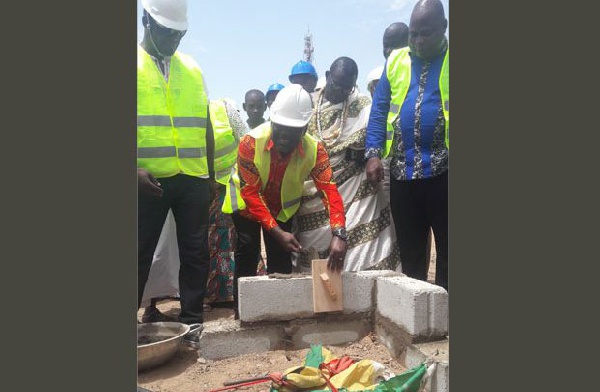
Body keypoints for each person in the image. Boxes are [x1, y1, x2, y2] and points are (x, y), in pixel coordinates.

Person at [222, 84, 348, 316]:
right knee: (247, 253)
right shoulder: (251, 142)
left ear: (304, 129)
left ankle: (277, 314)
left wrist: (339, 233)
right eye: (279, 128)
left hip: (282, 211)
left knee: (280, 262)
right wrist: (276, 231)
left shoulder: (315, 150)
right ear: (272, 119)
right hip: (248, 207)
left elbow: (329, 190)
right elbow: (250, 193)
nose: (284, 136)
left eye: (292, 131)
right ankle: (244, 313)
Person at [137, 0, 213, 325]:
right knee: (138, 255)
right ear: (146, 21)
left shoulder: (192, 69)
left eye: (179, 35)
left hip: (193, 178)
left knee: (196, 253)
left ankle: (192, 320)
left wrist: (209, 175)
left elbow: (205, 123)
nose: (173, 41)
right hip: (148, 180)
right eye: (167, 33)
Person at [364, 0, 449, 291]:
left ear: (444, 28)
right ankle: (415, 319)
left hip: (445, 171)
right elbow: (379, 110)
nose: (418, 40)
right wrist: (373, 154)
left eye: (426, 33)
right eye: (414, 33)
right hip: (403, 173)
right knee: (411, 252)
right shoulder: (397, 60)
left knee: (450, 250)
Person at [140, 98, 247, 321]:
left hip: (210, 182)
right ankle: (154, 304)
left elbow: (233, 138)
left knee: (203, 248)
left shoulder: (220, 103)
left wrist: (211, 177)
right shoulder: (151, 89)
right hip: (160, 181)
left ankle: (199, 310)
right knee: (152, 249)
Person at [293, 57, 400, 272]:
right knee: (312, 253)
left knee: (360, 247)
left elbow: (376, 131)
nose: (341, 91)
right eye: (336, 84)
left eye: (347, 87)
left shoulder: (361, 106)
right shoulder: (308, 104)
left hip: (354, 187)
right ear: (327, 76)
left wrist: (371, 155)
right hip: (313, 188)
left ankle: (362, 289)